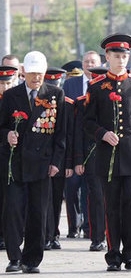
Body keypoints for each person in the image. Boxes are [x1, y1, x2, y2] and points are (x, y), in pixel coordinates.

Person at [84, 34, 131, 271]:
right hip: (108, 156)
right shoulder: (96, 86)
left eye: (124, 56)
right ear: (107, 57)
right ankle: (113, 254)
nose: (121, 60)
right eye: (116, 56)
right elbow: (87, 121)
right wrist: (102, 133)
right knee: (112, 204)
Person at [0, 51, 66, 273]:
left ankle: (32, 259)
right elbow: (1, 127)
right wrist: (7, 134)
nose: (36, 78)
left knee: (38, 213)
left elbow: (60, 134)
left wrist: (57, 162)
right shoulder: (11, 96)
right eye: (32, 74)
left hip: (42, 164)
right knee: (14, 211)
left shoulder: (55, 94)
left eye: (40, 74)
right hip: (15, 163)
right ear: (23, 73)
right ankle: (14, 257)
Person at [64, 52, 101, 238]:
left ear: (100, 63)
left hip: (96, 145)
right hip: (74, 143)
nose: (89, 65)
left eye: (93, 62)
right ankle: (73, 226)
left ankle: (89, 228)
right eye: (86, 61)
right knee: (71, 188)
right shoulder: (70, 84)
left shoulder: (104, 84)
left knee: (92, 191)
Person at [73, 67, 108, 252]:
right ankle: (96, 237)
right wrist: (79, 159)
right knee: (95, 197)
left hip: (112, 153)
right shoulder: (81, 103)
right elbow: (78, 132)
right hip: (91, 154)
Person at [43, 68, 74, 251]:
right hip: (42, 158)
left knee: (55, 199)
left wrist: (68, 162)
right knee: (43, 200)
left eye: (57, 83)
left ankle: (53, 233)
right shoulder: (38, 102)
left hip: (60, 159)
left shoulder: (67, 104)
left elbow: (68, 135)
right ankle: (45, 235)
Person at [0, 65, 18, 251]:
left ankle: (6, 235)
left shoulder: (15, 100)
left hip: (7, 156)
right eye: (2, 83)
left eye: (8, 83)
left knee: (8, 198)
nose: (5, 87)